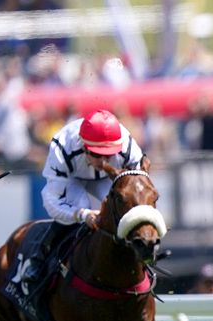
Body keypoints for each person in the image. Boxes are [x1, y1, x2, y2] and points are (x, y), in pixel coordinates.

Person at [24, 108, 146, 298]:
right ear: (83, 146)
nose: (104, 160)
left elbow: (140, 192)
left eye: (109, 154)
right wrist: (81, 214)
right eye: (97, 154)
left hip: (108, 179)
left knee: (123, 207)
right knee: (81, 203)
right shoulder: (62, 147)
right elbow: (51, 201)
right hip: (72, 178)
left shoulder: (129, 148)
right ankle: (39, 259)